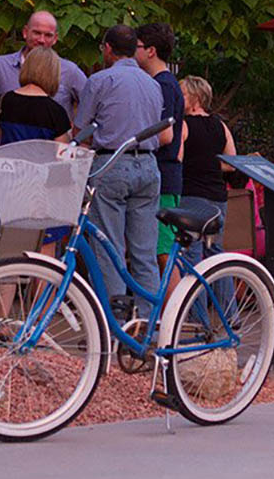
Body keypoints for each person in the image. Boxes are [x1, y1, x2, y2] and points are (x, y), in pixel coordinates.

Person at [75, 24, 166, 316]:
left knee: (109, 249)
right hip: (149, 166)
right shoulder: (153, 83)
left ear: (108, 48)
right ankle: (147, 323)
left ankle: (111, 324)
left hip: (112, 162)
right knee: (144, 253)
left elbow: (81, 128)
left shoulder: (101, 80)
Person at [0, 10, 87, 173]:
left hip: (48, 174)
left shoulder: (70, 71)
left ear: (55, 39)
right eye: (37, 33)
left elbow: (93, 110)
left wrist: (82, 150)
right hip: (8, 171)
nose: (41, 40)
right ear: (25, 32)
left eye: (47, 35)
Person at [0, 46, 72, 251]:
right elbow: (62, 161)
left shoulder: (5, 101)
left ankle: (6, 284)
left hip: (9, 189)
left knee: (7, 257)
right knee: (45, 255)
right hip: (42, 194)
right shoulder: (57, 112)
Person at [175, 76, 237, 283]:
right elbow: (231, 162)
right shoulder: (221, 126)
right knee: (216, 256)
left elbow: (178, 159)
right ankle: (230, 312)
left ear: (195, 98)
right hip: (218, 196)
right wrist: (210, 163)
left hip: (192, 193)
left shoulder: (183, 126)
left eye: (182, 94)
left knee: (192, 255)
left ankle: (196, 312)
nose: (178, 97)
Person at [134, 23, 185, 272]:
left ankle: (175, 309)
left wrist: (133, 143)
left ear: (151, 50)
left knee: (162, 252)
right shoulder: (164, 82)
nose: (134, 51)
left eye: (138, 46)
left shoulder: (163, 84)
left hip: (164, 176)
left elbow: (165, 135)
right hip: (166, 175)